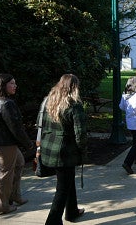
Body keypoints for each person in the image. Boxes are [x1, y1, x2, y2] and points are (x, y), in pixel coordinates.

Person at [40, 74, 87, 224]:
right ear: (74, 87)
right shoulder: (74, 105)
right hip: (65, 151)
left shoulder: (49, 101)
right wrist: (82, 149)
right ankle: (52, 221)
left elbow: (40, 123)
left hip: (50, 148)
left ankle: (72, 210)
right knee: (62, 188)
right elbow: (80, 133)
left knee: (67, 181)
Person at [0, 74, 34, 215]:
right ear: (3, 85)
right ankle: (1, 206)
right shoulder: (5, 103)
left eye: (15, 83)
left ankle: (14, 195)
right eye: (12, 83)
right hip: (3, 143)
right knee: (5, 173)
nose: (15, 86)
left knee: (19, 162)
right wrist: (28, 143)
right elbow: (15, 127)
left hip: (1, 142)